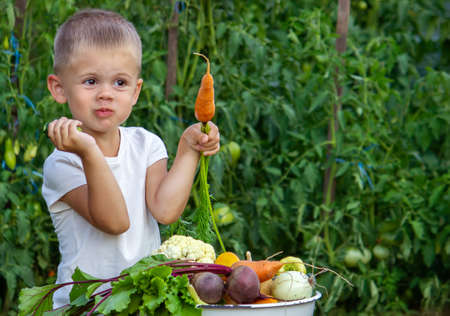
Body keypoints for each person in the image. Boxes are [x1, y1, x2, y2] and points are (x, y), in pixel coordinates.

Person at [42, 8, 220, 308]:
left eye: (120, 83)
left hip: (142, 301)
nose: (105, 94)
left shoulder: (145, 144)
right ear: (59, 88)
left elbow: (165, 212)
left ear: (136, 92)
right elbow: (115, 221)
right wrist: (88, 150)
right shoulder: (63, 162)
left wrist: (189, 148)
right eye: (90, 81)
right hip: (85, 305)